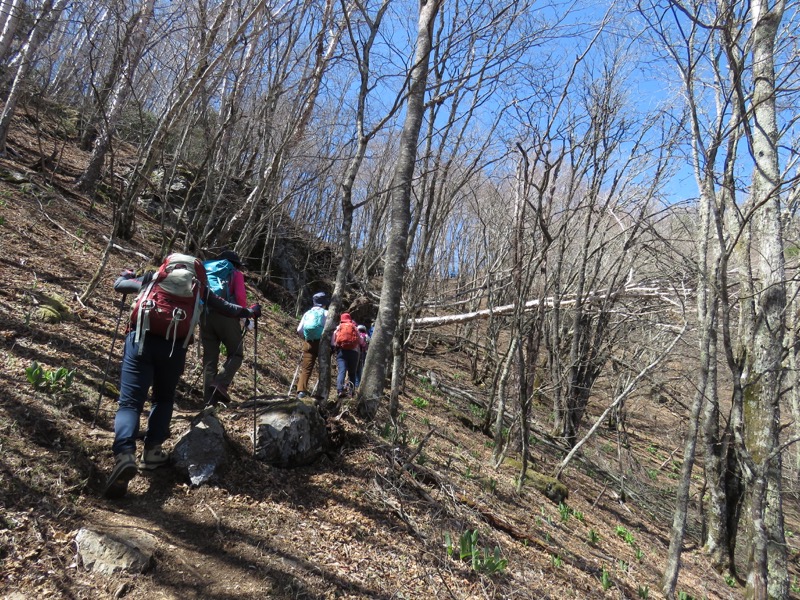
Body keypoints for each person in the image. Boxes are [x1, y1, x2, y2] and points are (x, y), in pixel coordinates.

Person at [105, 256, 261, 499]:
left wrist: (126, 276)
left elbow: (119, 285)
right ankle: (153, 452)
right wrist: (250, 312)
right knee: (163, 399)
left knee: (130, 403)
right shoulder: (199, 289)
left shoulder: (154, 279)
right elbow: (228, 308)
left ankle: (125, 454)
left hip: (140, 342)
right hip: (174, 349)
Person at [200, 250, 248, 406]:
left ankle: (208, 403)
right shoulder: (236, 273)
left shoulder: (205, 269)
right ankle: (220, 383)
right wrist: (244, 314)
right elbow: (240, 297)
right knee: (236, 354)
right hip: (227, 315)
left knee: (209, 359)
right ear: (235, 264)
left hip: (205, 314)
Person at [295, 292, 328, 399]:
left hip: (308, 342)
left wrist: (305, 337)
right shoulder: (326, 313)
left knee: (306, 368)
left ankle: (301, 391)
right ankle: (321, 393)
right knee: (323, 368)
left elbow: (299, 329)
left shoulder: (307, 313)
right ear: (324, 303)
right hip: (322, 344)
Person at [332, 313, 360, 398]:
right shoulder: (354, 327)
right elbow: (360, 340)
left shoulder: (339, 327)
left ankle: (340, 390)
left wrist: (334, 348)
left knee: (342, 371)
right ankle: (351, 393)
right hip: (354, 353)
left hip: (342, 351)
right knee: (352, 373)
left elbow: (333, 341)